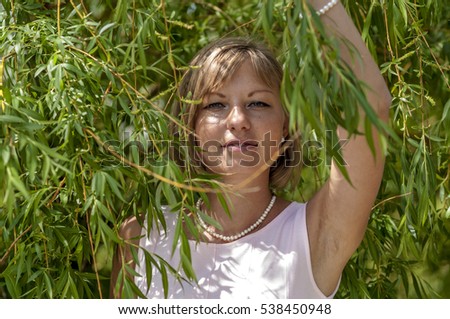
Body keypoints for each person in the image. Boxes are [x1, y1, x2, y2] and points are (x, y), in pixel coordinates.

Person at [110, 0, 391, 299]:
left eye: (258, 103)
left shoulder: (312, 236)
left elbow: (370, 107)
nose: (238, 120)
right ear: (190, 125)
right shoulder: (140, 236)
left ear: (286, 126)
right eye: (216, 104)